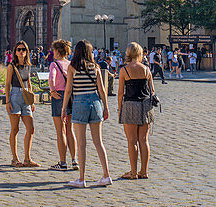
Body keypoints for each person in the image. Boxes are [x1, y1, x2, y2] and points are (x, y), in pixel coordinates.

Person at [63, 40, 111, 188]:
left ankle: (82, 178)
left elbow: (68, 90)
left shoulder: (73, 67)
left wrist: (64, 108)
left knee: (82, 143)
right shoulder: (95, 66)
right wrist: (106, 107)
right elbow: (102, 89)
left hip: (80, 102)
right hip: (95, 101)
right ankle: (106, 175)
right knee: (98, 142)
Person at [117, 42, 156, 180]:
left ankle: (133, 172)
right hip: (145, 105)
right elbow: (152, 91)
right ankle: (144, 171)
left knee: (132, 140)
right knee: (144, 140)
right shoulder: (146, 69)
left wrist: (120, 108)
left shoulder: (124, 70)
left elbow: (120, 92)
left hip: (130, 105)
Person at [5, 40, 38, 167]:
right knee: (15, 128)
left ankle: (27, 159)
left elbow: (29, 83)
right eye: (18, 49)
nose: (21, 52)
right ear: (15, 52)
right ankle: (14, 158)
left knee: (31, 129)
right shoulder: (11, 66)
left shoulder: (28, 66)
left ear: (26, 52)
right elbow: (7, 84)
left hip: (25, 99)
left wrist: (31, 101)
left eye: (23, 49)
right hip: (14, 96)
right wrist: (7, 101)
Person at [48, 39, 76, 171]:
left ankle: (63, 162)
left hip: (59, 96)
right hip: (70, 96)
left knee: (60, 131)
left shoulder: (54, 64)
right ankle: (74, 160)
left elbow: (51, 78)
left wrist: (52, 90)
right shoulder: (70, 64)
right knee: (70, 130)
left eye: (54, 50)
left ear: (58, 51)